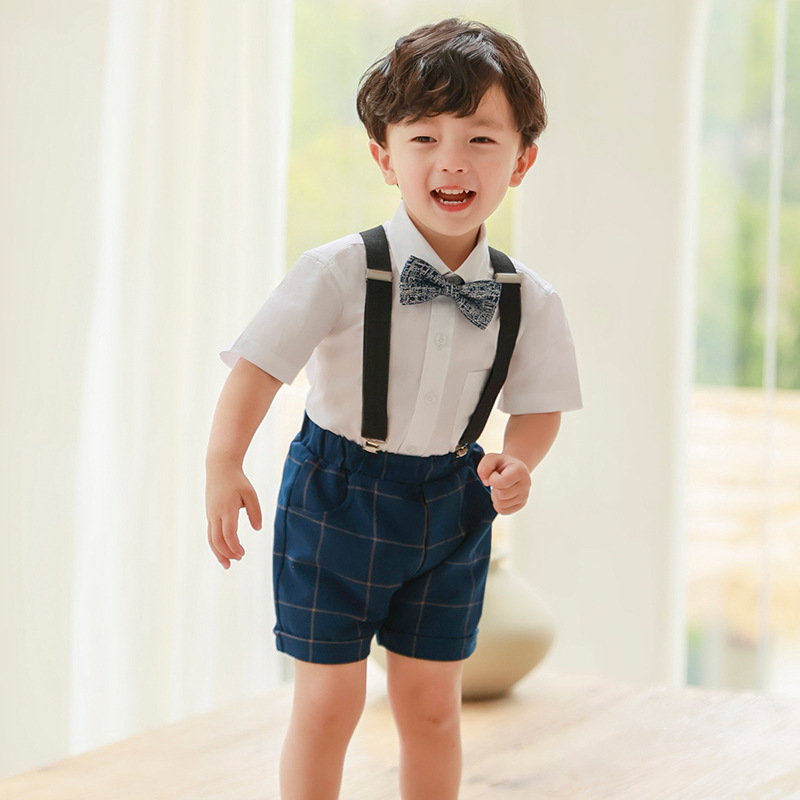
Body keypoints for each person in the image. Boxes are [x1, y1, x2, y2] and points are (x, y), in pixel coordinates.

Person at [205, 17, 581, 800]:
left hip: (453, 504)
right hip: (337, 493)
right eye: (423, 137)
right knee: (330, 701)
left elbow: (538, 406)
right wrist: (224, 462)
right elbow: (260, 368)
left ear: (523, 161)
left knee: (434, 707)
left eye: (481, 138)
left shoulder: (528, 299)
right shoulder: (339, 270)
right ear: (385, 156)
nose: (451, 159)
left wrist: (520, 462)